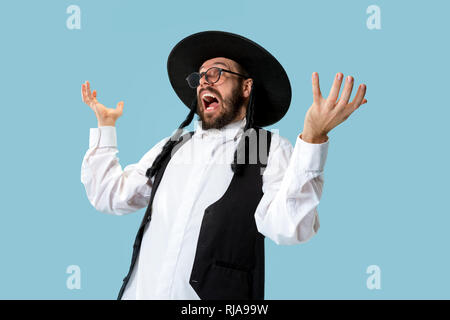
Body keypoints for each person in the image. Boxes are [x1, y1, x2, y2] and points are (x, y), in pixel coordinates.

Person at [80, 31, 367, 300]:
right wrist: (105, 127)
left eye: (216, 73)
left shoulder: (265, 148)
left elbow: (291, 227)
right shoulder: (174, 146)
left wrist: (313, 139)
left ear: (246, 87)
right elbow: (111, 195)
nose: (205, 81)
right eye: (201, 76)